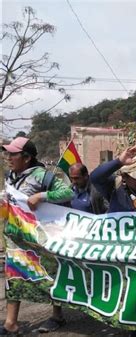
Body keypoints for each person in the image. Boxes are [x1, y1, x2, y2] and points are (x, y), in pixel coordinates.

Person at [1, 137, 74, 335]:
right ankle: (11, 323)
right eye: (7, 153)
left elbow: (68, 192)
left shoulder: (41, 175)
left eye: (13, 154)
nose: (8, 157)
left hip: (40, 238)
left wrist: (41, 196)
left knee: (49, 275)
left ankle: (57, 316)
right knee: (13, 275)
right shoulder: (10, 177)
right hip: (16, 237)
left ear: (26, 158)